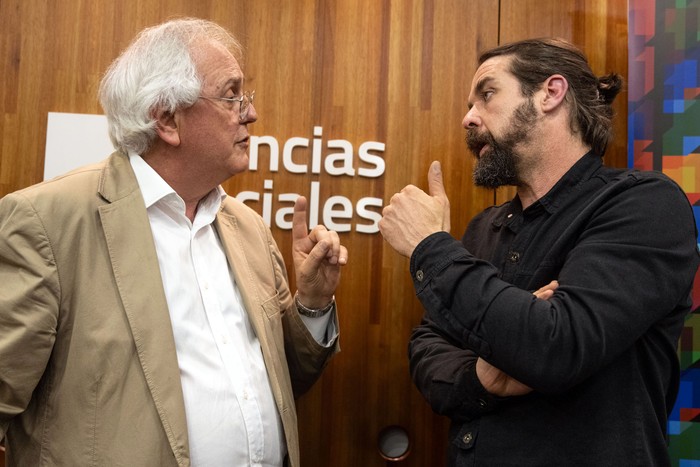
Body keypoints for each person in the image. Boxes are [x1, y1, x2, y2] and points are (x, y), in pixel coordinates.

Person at [0, 18, 347, 467]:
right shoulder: (46, 223)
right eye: (231, 94)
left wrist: (314, 304)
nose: (250, 112)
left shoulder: (250, 229)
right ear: (167, 119)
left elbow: (286, 380)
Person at [379, 38, 699, 466]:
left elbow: (556, 345)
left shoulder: (644, 205)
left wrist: (431, 248)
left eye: (487, 95)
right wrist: (481, 377)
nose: (468, 118)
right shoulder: (483, 229)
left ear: (551, 93)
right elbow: (428, 345)